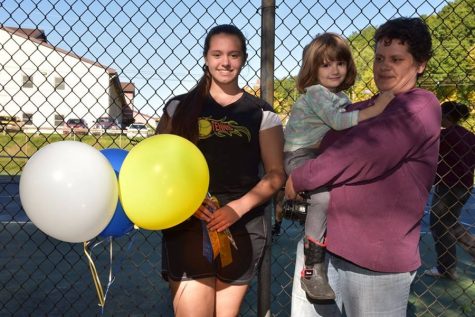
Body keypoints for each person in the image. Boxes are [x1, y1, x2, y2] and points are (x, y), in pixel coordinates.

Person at [285, 17, 441, 316]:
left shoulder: (420, 105)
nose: (384, 66)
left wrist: (300, 177)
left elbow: (358, 155)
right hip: (325, 247)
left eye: (397, 59)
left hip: (374, 258)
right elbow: (329, 138)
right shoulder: (368, 104)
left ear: (419, 64)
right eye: (380, 58)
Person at [156, 24, 285, 317]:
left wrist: (236, 209)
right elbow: (160, 167)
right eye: (217, 54)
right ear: (205, 58)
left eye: (233, 55)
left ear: (243, 58)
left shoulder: (262, 113)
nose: (225, 62)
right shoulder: (179, 108)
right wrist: (186, 202)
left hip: (241, 224)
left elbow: (276, 174)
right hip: (188, 222)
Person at [283, 32, 394, 301]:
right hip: (300, 154)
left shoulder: (339, 96)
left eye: (340, 63)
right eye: (326, 64)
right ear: (313, 69)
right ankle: (312, 268)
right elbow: (338, 122)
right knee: (322, 197)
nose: (335, 70)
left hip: (320, 154)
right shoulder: (317, 93)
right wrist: (376, 108)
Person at [425, 101, 475, 279]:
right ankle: (468, 252)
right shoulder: (469, 135)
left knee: (439, 224)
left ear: (446, 116)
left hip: (448, 185)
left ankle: (446, 268)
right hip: (465, 185)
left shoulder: (444, 136)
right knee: (450, 222)